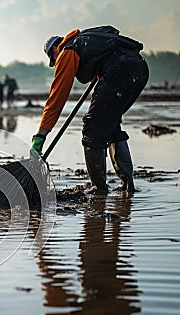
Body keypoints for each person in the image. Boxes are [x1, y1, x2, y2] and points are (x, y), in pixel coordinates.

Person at [31, 26, 149, 194]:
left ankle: (99, 188)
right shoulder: (89, 42)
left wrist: (40, 136)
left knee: (92, 126)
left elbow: (57, 98)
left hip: (120, 70)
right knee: (110, 125)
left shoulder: (67, 51)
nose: (55, 63)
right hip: (139, 67)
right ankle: (127, 185)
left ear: (55, 51)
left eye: (53, 59)